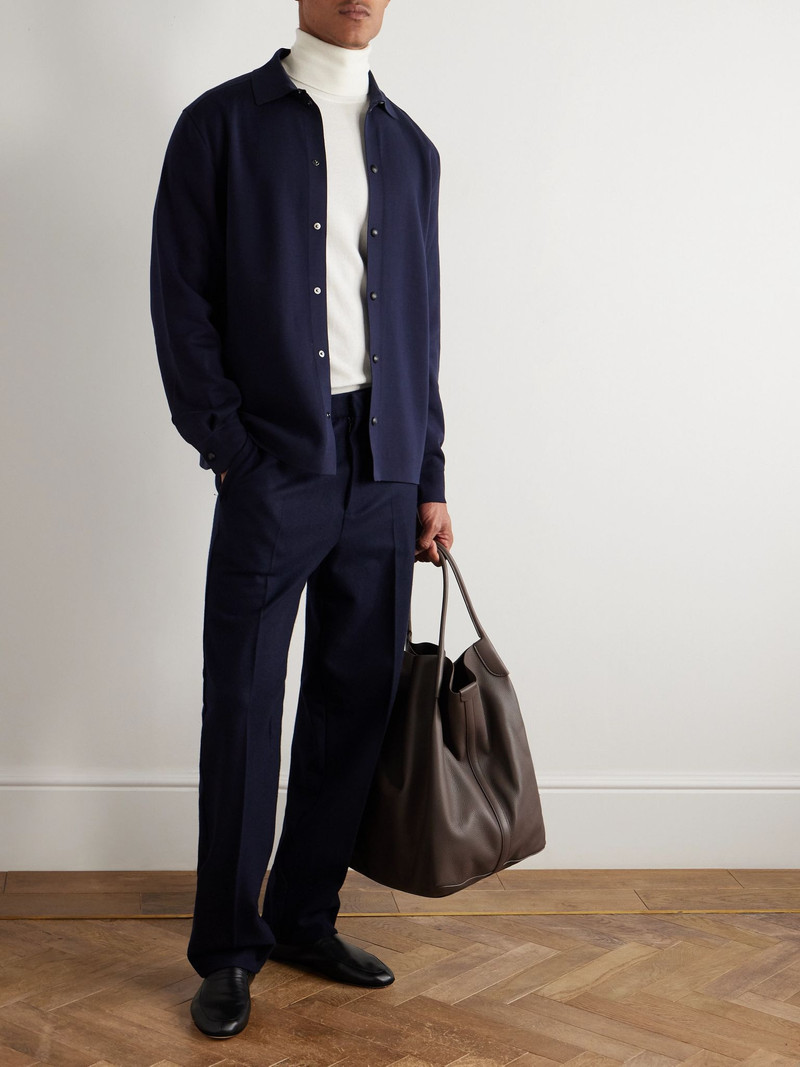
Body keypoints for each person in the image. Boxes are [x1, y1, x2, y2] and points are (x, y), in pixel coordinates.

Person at [150, 0, 452, 1039]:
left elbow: (421, 326)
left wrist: (429, 473)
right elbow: (180, 298)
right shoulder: (219, 125)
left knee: (353, 702)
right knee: (243, 703)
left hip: (385, 462)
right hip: (275, 458)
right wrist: (231, 448)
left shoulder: (413, 149)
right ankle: (228, 949)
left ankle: (303, 918)